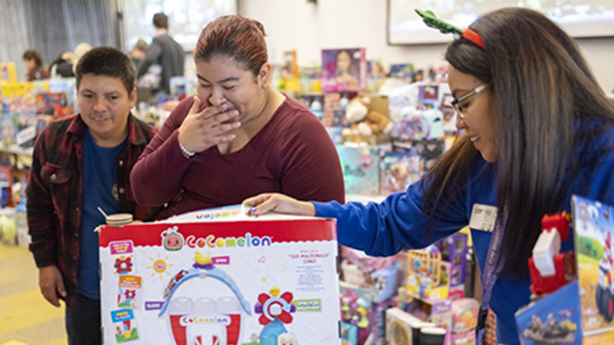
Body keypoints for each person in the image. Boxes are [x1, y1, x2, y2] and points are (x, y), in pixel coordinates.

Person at [244, 8, 614, 345]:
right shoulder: (480, 166)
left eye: (464, 102)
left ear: (512, 88)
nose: (458, 121)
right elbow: (392, 223)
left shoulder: (603, 162)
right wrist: (311, 213)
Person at [130, 14, 344, 219]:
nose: (215, 98)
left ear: (263, 75)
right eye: (204, 84)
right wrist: (183, 144)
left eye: (229, 86)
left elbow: (327, 235)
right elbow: (144, 193)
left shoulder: (300, 134)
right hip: (180, 249)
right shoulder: (193, 112)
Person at [26, 47, 159, 344]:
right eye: (88, 95)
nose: (99, 107)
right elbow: (38, 205)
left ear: (132, 97)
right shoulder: (52, 140)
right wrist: (45, 264)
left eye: (112, 97)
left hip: (143, 288)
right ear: (77, 93)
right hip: (81, 285)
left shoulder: (155, 146)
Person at [137, 12, 185, 96]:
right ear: (168, 25)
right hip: (178, 91)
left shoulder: (158, 41)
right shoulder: (177, 45)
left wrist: (137, 75)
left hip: (164, 91)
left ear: (154, 25)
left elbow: (149, 59)